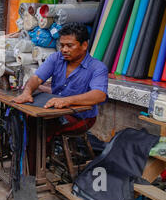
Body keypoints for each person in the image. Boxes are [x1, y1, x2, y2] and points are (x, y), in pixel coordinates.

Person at [12, 22, 108, 175]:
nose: (64, 49)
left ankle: (33, 173)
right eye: (62, 45)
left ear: (84, 45)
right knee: (20, 117)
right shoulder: (56, 58)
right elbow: (37, 78)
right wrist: (27, 91)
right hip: (56, 111)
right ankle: (28, 164)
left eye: (70, 46)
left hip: (81, 118)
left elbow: (99, 95)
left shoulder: (97, 67)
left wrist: (67, 100)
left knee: (39, 128)